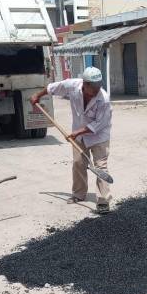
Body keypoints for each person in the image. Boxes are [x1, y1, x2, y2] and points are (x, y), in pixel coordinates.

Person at [30, 67, 113, 214]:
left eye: (99, 86)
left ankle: (103, 201)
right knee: (78, 163)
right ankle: (79, 194)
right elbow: (53, 88)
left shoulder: (103, 99)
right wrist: (38, 95)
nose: (96, 90)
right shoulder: (73, 85)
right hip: (79, 134)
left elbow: (99, 124)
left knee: (101, 168)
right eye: (93, 87)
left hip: (99, 136)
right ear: (85, 84)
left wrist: (76, 133)